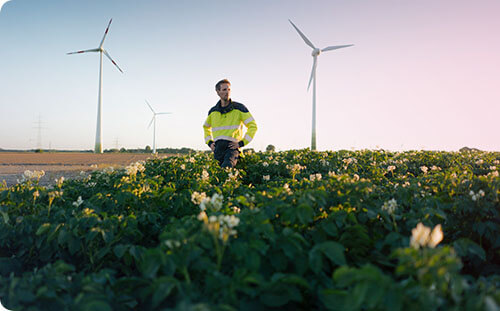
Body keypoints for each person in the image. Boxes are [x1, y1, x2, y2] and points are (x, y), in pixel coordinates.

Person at [203, 79, 258, 168]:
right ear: (218, 92)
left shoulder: (239, 108)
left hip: (232, 147)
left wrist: (241, 143)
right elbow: (206, 127)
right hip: (218, 148)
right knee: (216, 173)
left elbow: (253, 126)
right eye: (224, 90)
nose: (227, 92)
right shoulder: (213, 111)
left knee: (227, 168)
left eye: (229, 89)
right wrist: (209, 143)